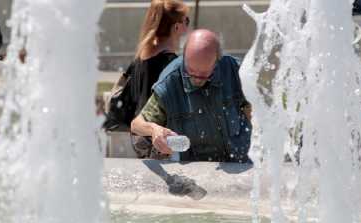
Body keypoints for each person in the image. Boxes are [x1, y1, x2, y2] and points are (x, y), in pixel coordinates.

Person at [131, 29, 252, 163]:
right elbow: (136, 125)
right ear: (185, 57)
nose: (197, 79)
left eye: (204, 74)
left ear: (217, 61)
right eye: (191, 72)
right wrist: (155, 130)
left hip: (241, 164)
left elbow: (256, 110)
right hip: (198, 171)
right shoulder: (169, 83)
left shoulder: (234, 71)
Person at [104, 0, 189, 158]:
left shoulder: (140, 58)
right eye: (186, 21)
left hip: (139, 138)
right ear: (176, 27)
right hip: (162, 140)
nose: (188, 27)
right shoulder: (173, 64)